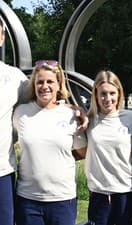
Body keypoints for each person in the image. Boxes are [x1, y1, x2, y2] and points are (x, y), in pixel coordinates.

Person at [13, 60, 87, 225]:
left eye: (50, 81)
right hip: (28, 200)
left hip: (62, 200)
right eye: (40, 82)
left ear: (59, 84)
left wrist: (56, 156)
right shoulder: (21, 113)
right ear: (34, 85)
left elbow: (83, 152)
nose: (44, 86)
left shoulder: (71, 116)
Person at [77, 70, 132, 225]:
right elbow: (83, 151)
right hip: (99, 194)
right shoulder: (88, 120)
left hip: (126, 191)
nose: (108, 98)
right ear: (96, 95)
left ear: (119, 93)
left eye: (112, 93)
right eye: (103, 94)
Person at [0, 19, 29, 225]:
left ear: (1, 38)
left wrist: (73, 109)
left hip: (2, 172)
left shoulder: (14, 77)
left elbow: (44, 102)